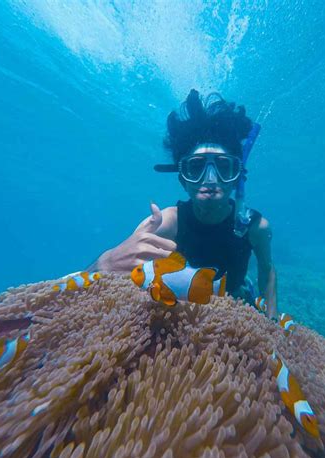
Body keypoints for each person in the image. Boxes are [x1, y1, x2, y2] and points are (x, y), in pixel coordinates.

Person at [89, 90, 278, 320]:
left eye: (223, 167)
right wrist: (105, 262)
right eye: (196, 168)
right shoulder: (167, 222)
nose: (210, 179)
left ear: (237, 176)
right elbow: (124, 269)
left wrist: (272, 319)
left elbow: (267, 272)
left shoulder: (256, 227)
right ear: (182, 179)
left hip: (235, 300)